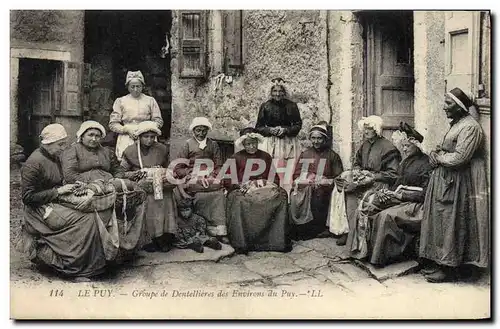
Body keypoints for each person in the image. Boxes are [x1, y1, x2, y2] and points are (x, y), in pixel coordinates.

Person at [19, 124, 107, 282]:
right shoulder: (34, 162)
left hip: (52, 201)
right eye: (60, 144)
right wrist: (58, 191)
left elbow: (58, 180)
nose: (63, 148)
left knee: (89, 212)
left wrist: (72, 186)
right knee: (85, 220)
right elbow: (27, 197)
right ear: (48, 143)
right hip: (37, 210)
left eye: (64, 143)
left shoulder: (54, 156)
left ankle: (88, 266)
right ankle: (72, 269)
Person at [419, 87, 489, 283]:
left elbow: (460, 157)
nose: (444, 107)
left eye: (448, 104)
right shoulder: (458, 124)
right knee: (442, 222)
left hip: (456, 182)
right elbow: (450, 149)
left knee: (452, 223)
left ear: (459, 107)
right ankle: (441, 263)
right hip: (446, 180)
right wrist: (437, 152)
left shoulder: (470, 127)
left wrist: (439, 158)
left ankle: (450, 269)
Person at [348, 122, 432, 266]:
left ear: (417, 146)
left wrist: (402, 196)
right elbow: (397, 183)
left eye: (408, 146)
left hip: (416, 205)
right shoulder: (406, 162)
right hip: (400, 198)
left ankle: (380, 258)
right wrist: (385, 192)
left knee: (384, 216)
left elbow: (427, 193)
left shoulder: (427, 164)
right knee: (368, 203)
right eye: (403, 146)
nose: (404, 149)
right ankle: (362, 251)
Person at [61, 120, 146, 260]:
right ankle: (100, 251)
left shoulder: (106, 151)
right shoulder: (72, 150)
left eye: (97, 136)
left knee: (135, 194)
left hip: (108, 183)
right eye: (90, 135)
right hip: (82, 185)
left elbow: (117, 169)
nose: (94, 139)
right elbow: (70, 175)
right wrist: (92, 184)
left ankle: (126, 247)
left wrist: (115, 180)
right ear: (82, 136)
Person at [338, 115, 401, 246]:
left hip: (381, 184)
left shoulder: (388, 147)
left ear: (376, 130)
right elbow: (357, 162)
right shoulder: (365, 145)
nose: (366, 131)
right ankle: (350, 233)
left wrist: (372, 176)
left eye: (370, 129)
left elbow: (393, 174)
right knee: (346, 188)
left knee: (359, 196)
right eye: (365, 128)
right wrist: (356, 170)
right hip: (364, 181)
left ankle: (362, 239)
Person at [225, 127, 290, 254]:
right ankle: (242, 243)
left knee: (282, 195)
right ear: (243, 144)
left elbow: (274, 177)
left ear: (257, 142)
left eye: (254, 143)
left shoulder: (265, 156)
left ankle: (277, 241)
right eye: (248, 144)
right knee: (239, 201)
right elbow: (227, 179)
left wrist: (265, 183)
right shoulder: (236, 157)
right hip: (243, 189)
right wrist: (240, 185)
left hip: (263, 188)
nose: (251, 146)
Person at [120, 121, 177, 253]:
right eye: (146, 136)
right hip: (140, 183)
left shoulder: (162, 149)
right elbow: (121, 172)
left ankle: (165, 235)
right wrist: (136, 174)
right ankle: (150, 238)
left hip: (159, 183)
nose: (150, 140)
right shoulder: (130, 151)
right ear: (139, 137)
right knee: (149, 200)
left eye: (152, 136)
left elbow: (169, 168)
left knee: (166, 197)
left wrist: (163, 172)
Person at [174, 117, 229, 243]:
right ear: (193, 130)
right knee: (199, 197)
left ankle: (219, 231)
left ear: (207, 131)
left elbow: (218, 165)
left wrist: (213, 175)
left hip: (209, 179)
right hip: (194, 179)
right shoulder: (187, 145)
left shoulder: (213, 145)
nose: (201, 133)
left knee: (219, 196)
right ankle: (202, 230)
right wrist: (191, 174)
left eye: (204, 130)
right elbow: (178, 167)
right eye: (198, 130)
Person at [290, 123, 344, 240]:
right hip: (308, 186)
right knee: (295, 195)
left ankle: (317, 228)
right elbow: (297, 174)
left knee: (318, 195)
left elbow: (338, 177)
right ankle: (301, 226)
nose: (316, 141)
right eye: (313, 138)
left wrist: (325, 180)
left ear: (324, 139)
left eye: (319, 138)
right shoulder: (306, 154)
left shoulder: (332, 156)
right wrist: (309, 178)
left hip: (324, 188)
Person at [255, 78, 303, 195]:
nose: (277, 94)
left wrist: (286, 130)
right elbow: (259, 127)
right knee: (272, 169)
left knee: (289, 171)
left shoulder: (292, 106)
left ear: (284, 92)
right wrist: (270, 130)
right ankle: (272, 194)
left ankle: (288, 197)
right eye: (275, 91)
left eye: (280, 91)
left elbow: (298, 125)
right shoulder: (265, 106)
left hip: (288, 143)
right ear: (270, 93)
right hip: (271, 143)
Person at [109, 70, 163, 160]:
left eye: (138, 86)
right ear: (128, 87)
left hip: (147, 136)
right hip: (127, 136)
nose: (135, 89)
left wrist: (147, 129)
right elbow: (113, 124)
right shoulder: (120, 101)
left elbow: (158, 121)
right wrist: (126, 129)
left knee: (148, 162)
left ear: (142, 86)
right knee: (128, 161)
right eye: (132, 86)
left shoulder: (150, 100)